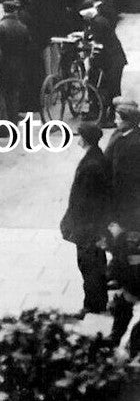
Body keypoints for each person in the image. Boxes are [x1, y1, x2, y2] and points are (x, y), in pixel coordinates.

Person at [60, 122, 112, 314]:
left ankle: (93, 305)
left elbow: (87, 201)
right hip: (92, 227)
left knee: (89, 267)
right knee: (94, 265)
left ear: (87, 139)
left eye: (80, 136)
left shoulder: (92, 165)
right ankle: (97, 301)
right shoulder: (96, 158)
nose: (78, 139)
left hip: (88, 228)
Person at [106, 98, 140, 230]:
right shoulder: (119, 134)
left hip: (128, 195)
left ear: (128, 121)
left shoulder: (135, 142)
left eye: (118, 119)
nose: (115, 121)